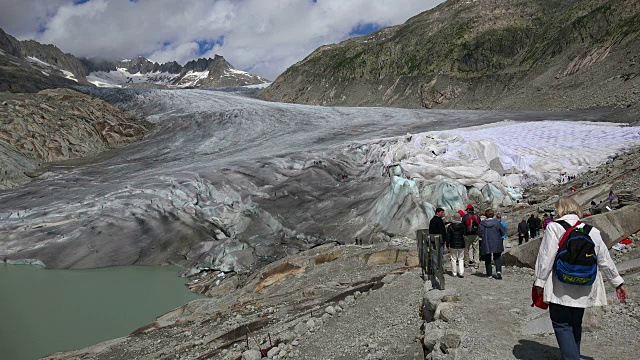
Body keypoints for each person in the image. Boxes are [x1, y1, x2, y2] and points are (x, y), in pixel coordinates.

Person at [534, 197, 627, 360]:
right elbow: (605, 259)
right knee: (575, 324)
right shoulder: (592, 231)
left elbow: (546, 257)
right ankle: (572, 355)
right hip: (585, 285)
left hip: (560, 285)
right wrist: (617, 283)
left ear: (560, 210)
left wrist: (539, 282)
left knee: (561, 325)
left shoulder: (554, 227)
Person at [478, 209, 506, 279]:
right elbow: (502, 232)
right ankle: (498, 271)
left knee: (487, 258)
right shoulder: (497, 222)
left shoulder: (482, 224)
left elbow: (479, 233)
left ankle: (489, 274)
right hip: (497, 241)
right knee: (497, 257)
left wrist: (483, 237)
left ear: (486, 215)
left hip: (486, 241)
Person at [446, 213, 466, 278]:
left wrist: (447, 244)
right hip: (461, 243)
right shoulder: (463, 225)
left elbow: (448, 236)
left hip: (453, 244)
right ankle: (461, 272)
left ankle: (454, 272)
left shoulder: (450, 226)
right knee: (461, 259)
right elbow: (464, 233)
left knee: (453, 259)